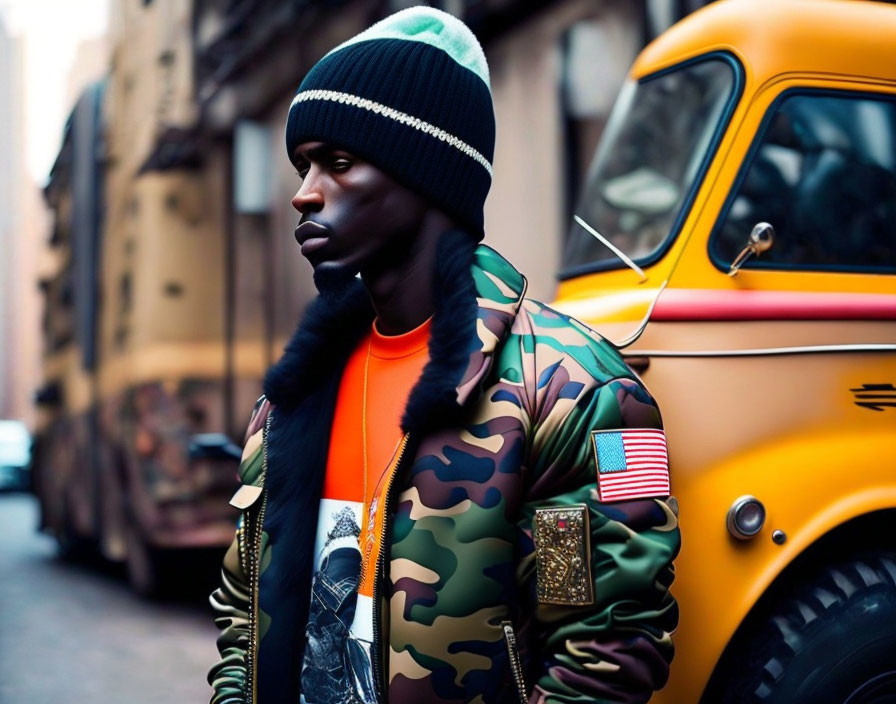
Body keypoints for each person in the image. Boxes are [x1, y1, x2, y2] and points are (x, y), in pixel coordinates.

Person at [208, 7, 680, 704]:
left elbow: (603, 646)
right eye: (304, 165)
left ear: (425, 175)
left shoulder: (573, 392)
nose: (305, 193)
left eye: (338, 162)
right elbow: (241, 620)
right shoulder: (292, 399)